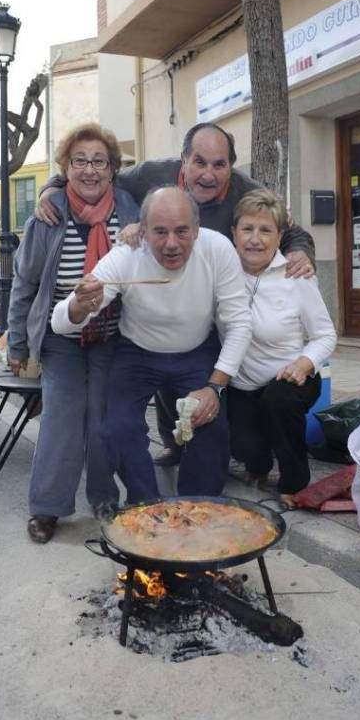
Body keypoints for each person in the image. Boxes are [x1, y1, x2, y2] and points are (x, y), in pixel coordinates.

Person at [38, 122, 317, 467]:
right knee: (161, 373)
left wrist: (301, 251)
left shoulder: (244, 188)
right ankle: (174, 441)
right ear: (182, 160)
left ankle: (216, 444)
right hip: (157, 296)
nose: (209, 174)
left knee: (204, 382)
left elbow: (286, 226)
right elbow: (98, 175)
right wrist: (52, 188)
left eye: (219, 165)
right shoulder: (151, 174)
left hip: (218, 295)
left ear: (232, 165)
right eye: (199, 162)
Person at [51, 186, 252, 504]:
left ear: (197, 230)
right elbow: (60, 321)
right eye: (160, 232)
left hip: (197, 350)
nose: (171, 244)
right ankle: (147, 505)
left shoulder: (218, 250)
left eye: (182, 231)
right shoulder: (125, 257)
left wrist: (214, 388)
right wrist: (80, 304)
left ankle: (196, 510)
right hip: (137, 354)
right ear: (142, 232)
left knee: (210, 430)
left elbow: (240, 323)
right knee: (117, 429)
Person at [8, 123, 139, 544]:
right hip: (58, 334)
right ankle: (46, 508)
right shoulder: (46, 217)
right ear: (66, 167)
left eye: (99, 161)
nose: (89, 170)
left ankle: (103, 498)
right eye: (79, 161)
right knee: (61, 418)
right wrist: (17, 341)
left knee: (101, 416)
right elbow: (25, 284)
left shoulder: (128, 208)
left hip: (109, 331)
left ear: (112, 169)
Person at [227, 189, 337, 506]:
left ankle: (294, 480)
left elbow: (325, 335)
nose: (255, 239)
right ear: (234, 233)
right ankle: (258, 463)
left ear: (280, 236)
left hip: (289, 379)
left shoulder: (296, 274)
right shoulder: (222, 272)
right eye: (247, 229)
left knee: (278, 402)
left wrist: (305, 363)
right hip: (242, 384)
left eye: (266, 230)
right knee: (248, 450)